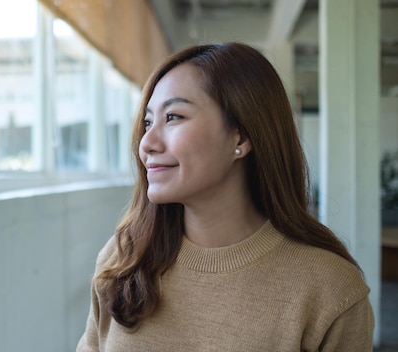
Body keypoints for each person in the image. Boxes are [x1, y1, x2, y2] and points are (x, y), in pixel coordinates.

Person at [76, 42, 374, 351]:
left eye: (174, 117)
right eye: (148, 122)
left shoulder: (331, 290)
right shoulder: (124, 257)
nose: (146, 142)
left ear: (241, 137)